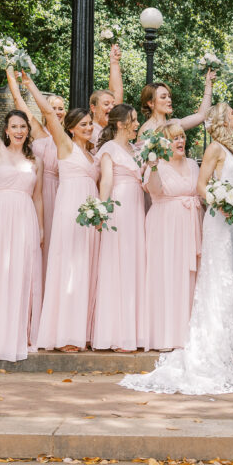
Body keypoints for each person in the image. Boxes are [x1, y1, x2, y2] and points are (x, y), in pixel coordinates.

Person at [120, 104, 233, 395]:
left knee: (219, 276)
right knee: (213, 276)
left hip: (218, 223)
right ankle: (206, 338)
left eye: (182, 136)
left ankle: (224, 335)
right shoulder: (210, 151)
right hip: (204, 221)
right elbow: (200, 187)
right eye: (175, 137)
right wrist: (222, 201)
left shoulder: (225, 151)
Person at [18, 72, 100, 353]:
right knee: (69, 268)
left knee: (87, 269)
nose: (89, 127)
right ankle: (64, 334)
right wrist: (30, 85)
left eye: (90, 123)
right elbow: (47, 114)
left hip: (91, 216)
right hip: (70, 212)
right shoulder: (65, 145)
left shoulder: (93, 154)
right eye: (84, 125)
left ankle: (83, 331)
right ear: (72, 128)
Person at [0, 61, 44, 362]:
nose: (18, 130)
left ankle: (20, 333)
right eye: (14, 126)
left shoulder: (36, 161)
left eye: (23, 126)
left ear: (28, 131)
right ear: (6, 129)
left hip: (25, 218)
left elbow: (38, 198)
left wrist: (40, 230)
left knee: (21, 276)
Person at [139, 120, 203, 351]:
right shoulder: (157, 166)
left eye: (182, 137)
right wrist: (153, 166)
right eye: (175, 138)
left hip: (189, 225)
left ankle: (186, 334)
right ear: (164, 143)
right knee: (165, 275)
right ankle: (164, 336)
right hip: (164, 226)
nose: (181, 141)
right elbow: (154, 190)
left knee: (187, 277)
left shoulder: (193, 165)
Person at [91, 104, 146, 352]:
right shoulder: (109, 149)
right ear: (121, 124)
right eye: (134, 120)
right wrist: (103, 211)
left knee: (134, 265)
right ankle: (115, 334)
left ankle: (133, 332)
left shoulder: (134, 149)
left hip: (136, 210)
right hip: (119, 210)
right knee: (118, 265)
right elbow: (106, 182)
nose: (137, 125)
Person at [5, 68, 62, 279]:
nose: (56, 111)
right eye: (53, 107)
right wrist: (10, 71)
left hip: (58, 193)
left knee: (55, 244)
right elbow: (18, 100)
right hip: (33, 192)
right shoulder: (37, 130)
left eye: (61, 108)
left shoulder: (69, 138)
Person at [138, 69, 216, 137]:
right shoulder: (145, 131)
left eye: (169, 96)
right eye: (163, 97)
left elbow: (202, 115)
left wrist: (209, 85)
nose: (169, 100)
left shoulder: (174, 123)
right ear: (151, 103)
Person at [90, 45, 125, 146]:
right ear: (94, 108)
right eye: (106, 104)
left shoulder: (112, 128)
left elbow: (117, 91)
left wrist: (114, 62)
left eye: (113, 104)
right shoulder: (89, 131)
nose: (111, 107)